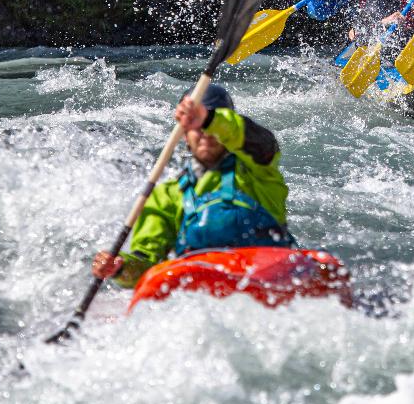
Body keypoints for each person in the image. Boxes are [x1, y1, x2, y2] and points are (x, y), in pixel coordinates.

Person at [91, 84, 292, 288]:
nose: (205, 133)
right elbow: (146, 264)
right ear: (185, 135)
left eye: (211, 127)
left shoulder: (259, 171)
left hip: (269, 280)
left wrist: (210, 118)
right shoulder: (168, 195)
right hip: (204, 295)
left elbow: (261, 142)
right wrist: (120, 267)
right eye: (197, 127)